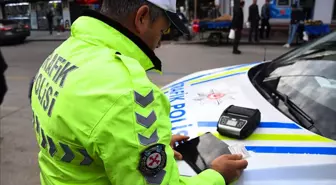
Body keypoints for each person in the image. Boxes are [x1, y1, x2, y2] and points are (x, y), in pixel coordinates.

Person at [29, 0, 248, 185]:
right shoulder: (126, 91)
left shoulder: (66, 52)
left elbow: (81, 133)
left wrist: (138, 144)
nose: (160, 42)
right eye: (163, 31)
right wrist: (217, 175)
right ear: (142, 17)